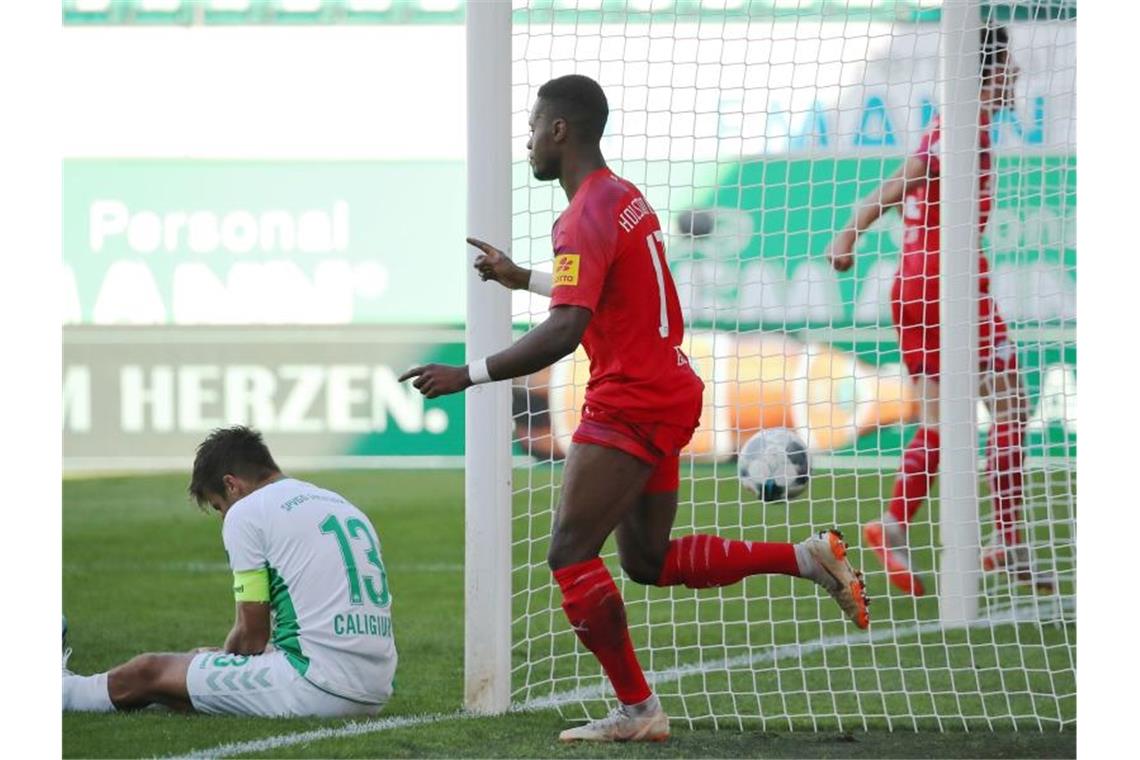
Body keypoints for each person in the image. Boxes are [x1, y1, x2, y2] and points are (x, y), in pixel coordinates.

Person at [400, 74, 869, 743]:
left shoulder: (582, 215)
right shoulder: (622, 199)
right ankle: (805, 558)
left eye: (533, 128)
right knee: (646, 561)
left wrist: (469, 373)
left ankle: (639, 711)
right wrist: (522, 277)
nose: (529, 141)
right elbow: (603, 283)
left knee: (568, 551)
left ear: (560, 130)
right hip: (670, 388)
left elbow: (565, 329)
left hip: (630, 401)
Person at [825, 24, 1052, 596]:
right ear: (985, 72)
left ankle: (896, 524)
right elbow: (910, 176)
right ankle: (1006, 541)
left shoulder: (960, 123)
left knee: (942, 421)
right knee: (1010, 405)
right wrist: (849, 232)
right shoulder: (962, 124)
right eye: (1008, 65)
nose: (1017, 74)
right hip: (947, 280)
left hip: (915, 283)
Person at [62, 426, 397, 717]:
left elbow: (252, 636)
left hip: (316, 686)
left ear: (232, 484)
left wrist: (226, 657)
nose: (225, 517)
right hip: (375, 687)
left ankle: (64, 692)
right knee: (189, 673)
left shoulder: (249, 511)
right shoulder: (340, 503)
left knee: (150, 671)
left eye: (220, 506)